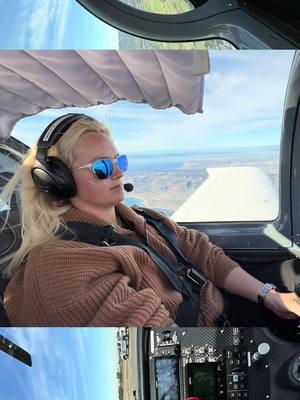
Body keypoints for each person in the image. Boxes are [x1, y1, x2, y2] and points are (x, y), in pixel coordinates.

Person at [0, 113, 299, 327]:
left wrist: (269, 296)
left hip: (226, 314)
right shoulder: (62, 265)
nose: (119, 172)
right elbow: (156, 347)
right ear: (59, 181)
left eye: (120, 160)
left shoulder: (141, 218)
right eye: (102, 167)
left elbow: (202, 252)